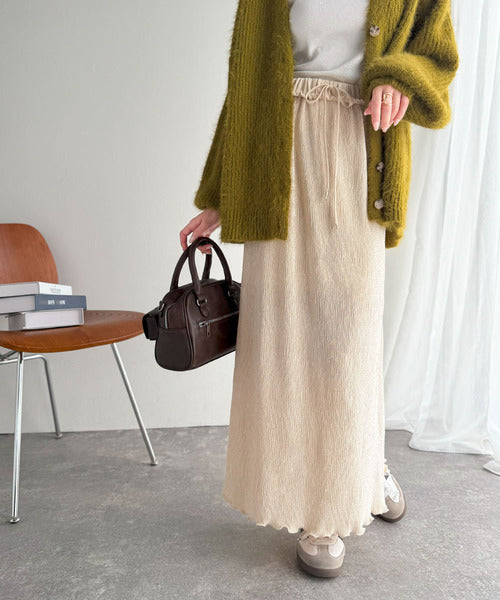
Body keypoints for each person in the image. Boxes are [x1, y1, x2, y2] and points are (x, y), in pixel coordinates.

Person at [180, 0, 459, 579]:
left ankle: (355, 478)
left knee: (347, 335)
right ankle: (320, 504)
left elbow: (436, 52)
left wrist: (399, 78)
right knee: (282, 333)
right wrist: (220, 194)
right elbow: (246, 84)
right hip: (276, 158)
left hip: (359, 145)